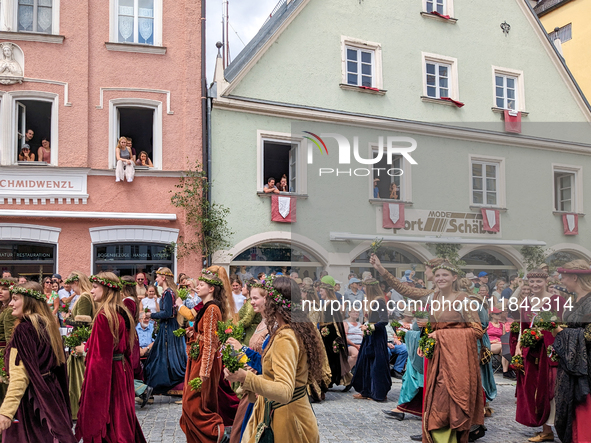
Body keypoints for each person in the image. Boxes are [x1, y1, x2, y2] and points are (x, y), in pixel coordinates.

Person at [373, 256, 484, 442]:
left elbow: (477, 330)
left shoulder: (463, 299)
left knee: (453, 399)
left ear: (454, 277)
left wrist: (441, 336)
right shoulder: (434, 295)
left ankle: (454, 437)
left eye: (445, 275)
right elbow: (405, 289)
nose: (440, 278)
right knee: (438, 397)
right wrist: (381, 270)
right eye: (438, 274)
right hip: (438, 356)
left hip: (458, 358)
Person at [225, 276, 322, 443]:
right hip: (284, 413)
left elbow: (284, 391)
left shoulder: (286, 336)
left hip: (288, 421)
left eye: (266, 298)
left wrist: (244, 377)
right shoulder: (289, 329)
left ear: (274, 303)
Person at [0, 282, 76, 442]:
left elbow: (20, 376)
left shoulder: (24, 330)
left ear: (28, 301)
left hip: (31, 401)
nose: (11, 303)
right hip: (51, 395)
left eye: (15, 299)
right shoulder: (47, 325)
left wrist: (6, 412)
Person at [75, 273, 146, 443]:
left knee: (111, 418)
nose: (91, 291)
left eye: (95, 287)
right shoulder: (120, 313)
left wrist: (92, 390)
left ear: (106, 290)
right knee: (120, 416)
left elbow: (99, 358)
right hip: (121, 371)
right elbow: (125, 351)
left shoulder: (104, 316)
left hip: (109, 376)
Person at [179, 269, 229, 443]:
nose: (197, 287)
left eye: (201, 285)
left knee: (193, 404)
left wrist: (204, 370)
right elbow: (204, 335)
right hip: (198, 358)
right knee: (195, 401)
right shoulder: (207, 308)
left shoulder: (212, 309)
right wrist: (192, 333)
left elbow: (211, 342)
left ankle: (217, 433)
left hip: (204, 361)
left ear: (211, 289)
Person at [514, 269, 563, 442]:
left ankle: (554, 429)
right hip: (532, 351)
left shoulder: (556, 300)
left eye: (538, 281)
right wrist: (519, 347)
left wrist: (545, 335)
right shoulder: (526, 301)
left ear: (546, 282)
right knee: (535, 389)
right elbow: (523, 327)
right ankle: (545, 429)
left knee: (550, 390)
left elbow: (563, 327)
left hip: (550, 351)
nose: (535, 285)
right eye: (532, 281)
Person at [553, 260, 591, 443]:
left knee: (585, 410)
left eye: (564, 276)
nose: (561, 280)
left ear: (575, 277)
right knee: (574, 411)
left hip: (586, 368)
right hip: (573, 365)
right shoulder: (575, 300)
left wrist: (562, 332)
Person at [144, 267, 187, 394]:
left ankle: (156, 386)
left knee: (162, 357)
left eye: (157, 276)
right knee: (164, 357)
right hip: (168, 326)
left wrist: (151, 315)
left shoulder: (168, 293)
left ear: (163, 278)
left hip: (168, 328)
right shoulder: (168, 292)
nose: (156, 279)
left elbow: (167, 313)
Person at [351, 278, 392, 401]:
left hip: (377, 336)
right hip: (369, 336)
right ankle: (366, 391)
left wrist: (370, 327)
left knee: (376, 365)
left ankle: (378, 392)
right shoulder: (371, 301)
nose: (363, 289)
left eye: (364, 287)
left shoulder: (379, 301)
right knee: (365, 363)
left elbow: (384, 320)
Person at [63, 272, 96, 421]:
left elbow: (84, 322)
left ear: (76, 282)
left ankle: (80, 409)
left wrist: (68, 320)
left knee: (79, 376)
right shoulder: (84, 296)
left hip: (80, 339)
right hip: (79, 338)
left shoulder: (84, 297)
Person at [0, 278, 16, 408]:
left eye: (4, 289)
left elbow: (10, 337)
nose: (0, 291)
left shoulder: (9, 312)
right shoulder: (3, 309)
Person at [135, 311, 155, 408]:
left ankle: (148, 394)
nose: (147, 320)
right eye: (144, 318)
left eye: (147, 318)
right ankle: (142, 391)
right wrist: (139, 350)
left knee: (151, 366)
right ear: (139, 320)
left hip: (149, 351)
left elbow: (155, 341)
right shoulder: (135, 329)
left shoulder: (151, 328)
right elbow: (133, 341)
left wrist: (146, 348)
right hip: (137, 352)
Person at [488, 307, 512, 378]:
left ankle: (505, 371)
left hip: (500, 344)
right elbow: (483, 337)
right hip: (490, 344)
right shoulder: (487, 324)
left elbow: (503, 338)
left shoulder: (502, 325)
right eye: (497, 313)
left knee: (505, 348)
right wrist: (491, 341)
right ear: (492, 315)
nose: (499, 315)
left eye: (500, 313)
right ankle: (508, 370)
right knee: (504, 347)